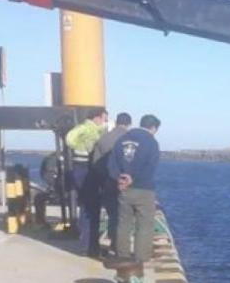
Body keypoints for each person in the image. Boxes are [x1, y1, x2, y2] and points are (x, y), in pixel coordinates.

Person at [107, 114, 161, 265]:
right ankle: (141, 258)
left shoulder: (121, 140)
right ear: (153, 128)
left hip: (123, 189)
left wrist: (119, 178)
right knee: (144, 224)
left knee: (123, 223)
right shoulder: (151, 142)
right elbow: (150, 167)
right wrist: (133, 178)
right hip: (143, 188)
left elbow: (112, 164)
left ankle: (122, 255)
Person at [66, 108, 108, 255]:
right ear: (97, 117)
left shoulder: (94, 130)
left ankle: (90, 244)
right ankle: (88, 246)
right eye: (104, 118)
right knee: (90, 209)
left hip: (85, 169)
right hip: (85, 168)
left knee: (90, 208)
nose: (104, 122)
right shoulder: (86, 129)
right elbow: (70, 139)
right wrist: (84, 147)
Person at [90, 112, 133, 255]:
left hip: (107, 182)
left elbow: (95, 163)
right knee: (123, 215)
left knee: (112, 214)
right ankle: (119, 247)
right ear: (129, 124)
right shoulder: (129, 140)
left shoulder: (103, 138)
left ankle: (112, 242)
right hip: (124, 183)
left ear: (115, 122)